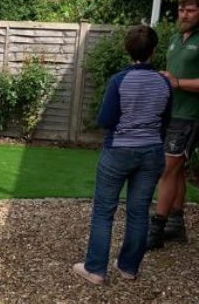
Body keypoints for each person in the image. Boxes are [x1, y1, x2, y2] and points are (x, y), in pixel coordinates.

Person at [73, 24, 171, 285]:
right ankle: (128, 268)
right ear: (154, 50)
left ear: (127, 49)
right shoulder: (164, 82)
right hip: (151, 152)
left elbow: (105, 119)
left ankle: (95, 270)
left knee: (104, 211)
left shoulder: (120, 80)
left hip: (119, 150)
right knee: (139, 211)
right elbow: (165, 121)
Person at [149, 0, 199, 248]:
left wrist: (177, 82)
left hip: (190, 115)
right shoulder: (176, 38)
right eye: (181, 9)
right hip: (172, 112)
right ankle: (176, 226)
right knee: (177, 172)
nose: (184, 14)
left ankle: (156, 229)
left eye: (190, 10)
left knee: (166, 169)